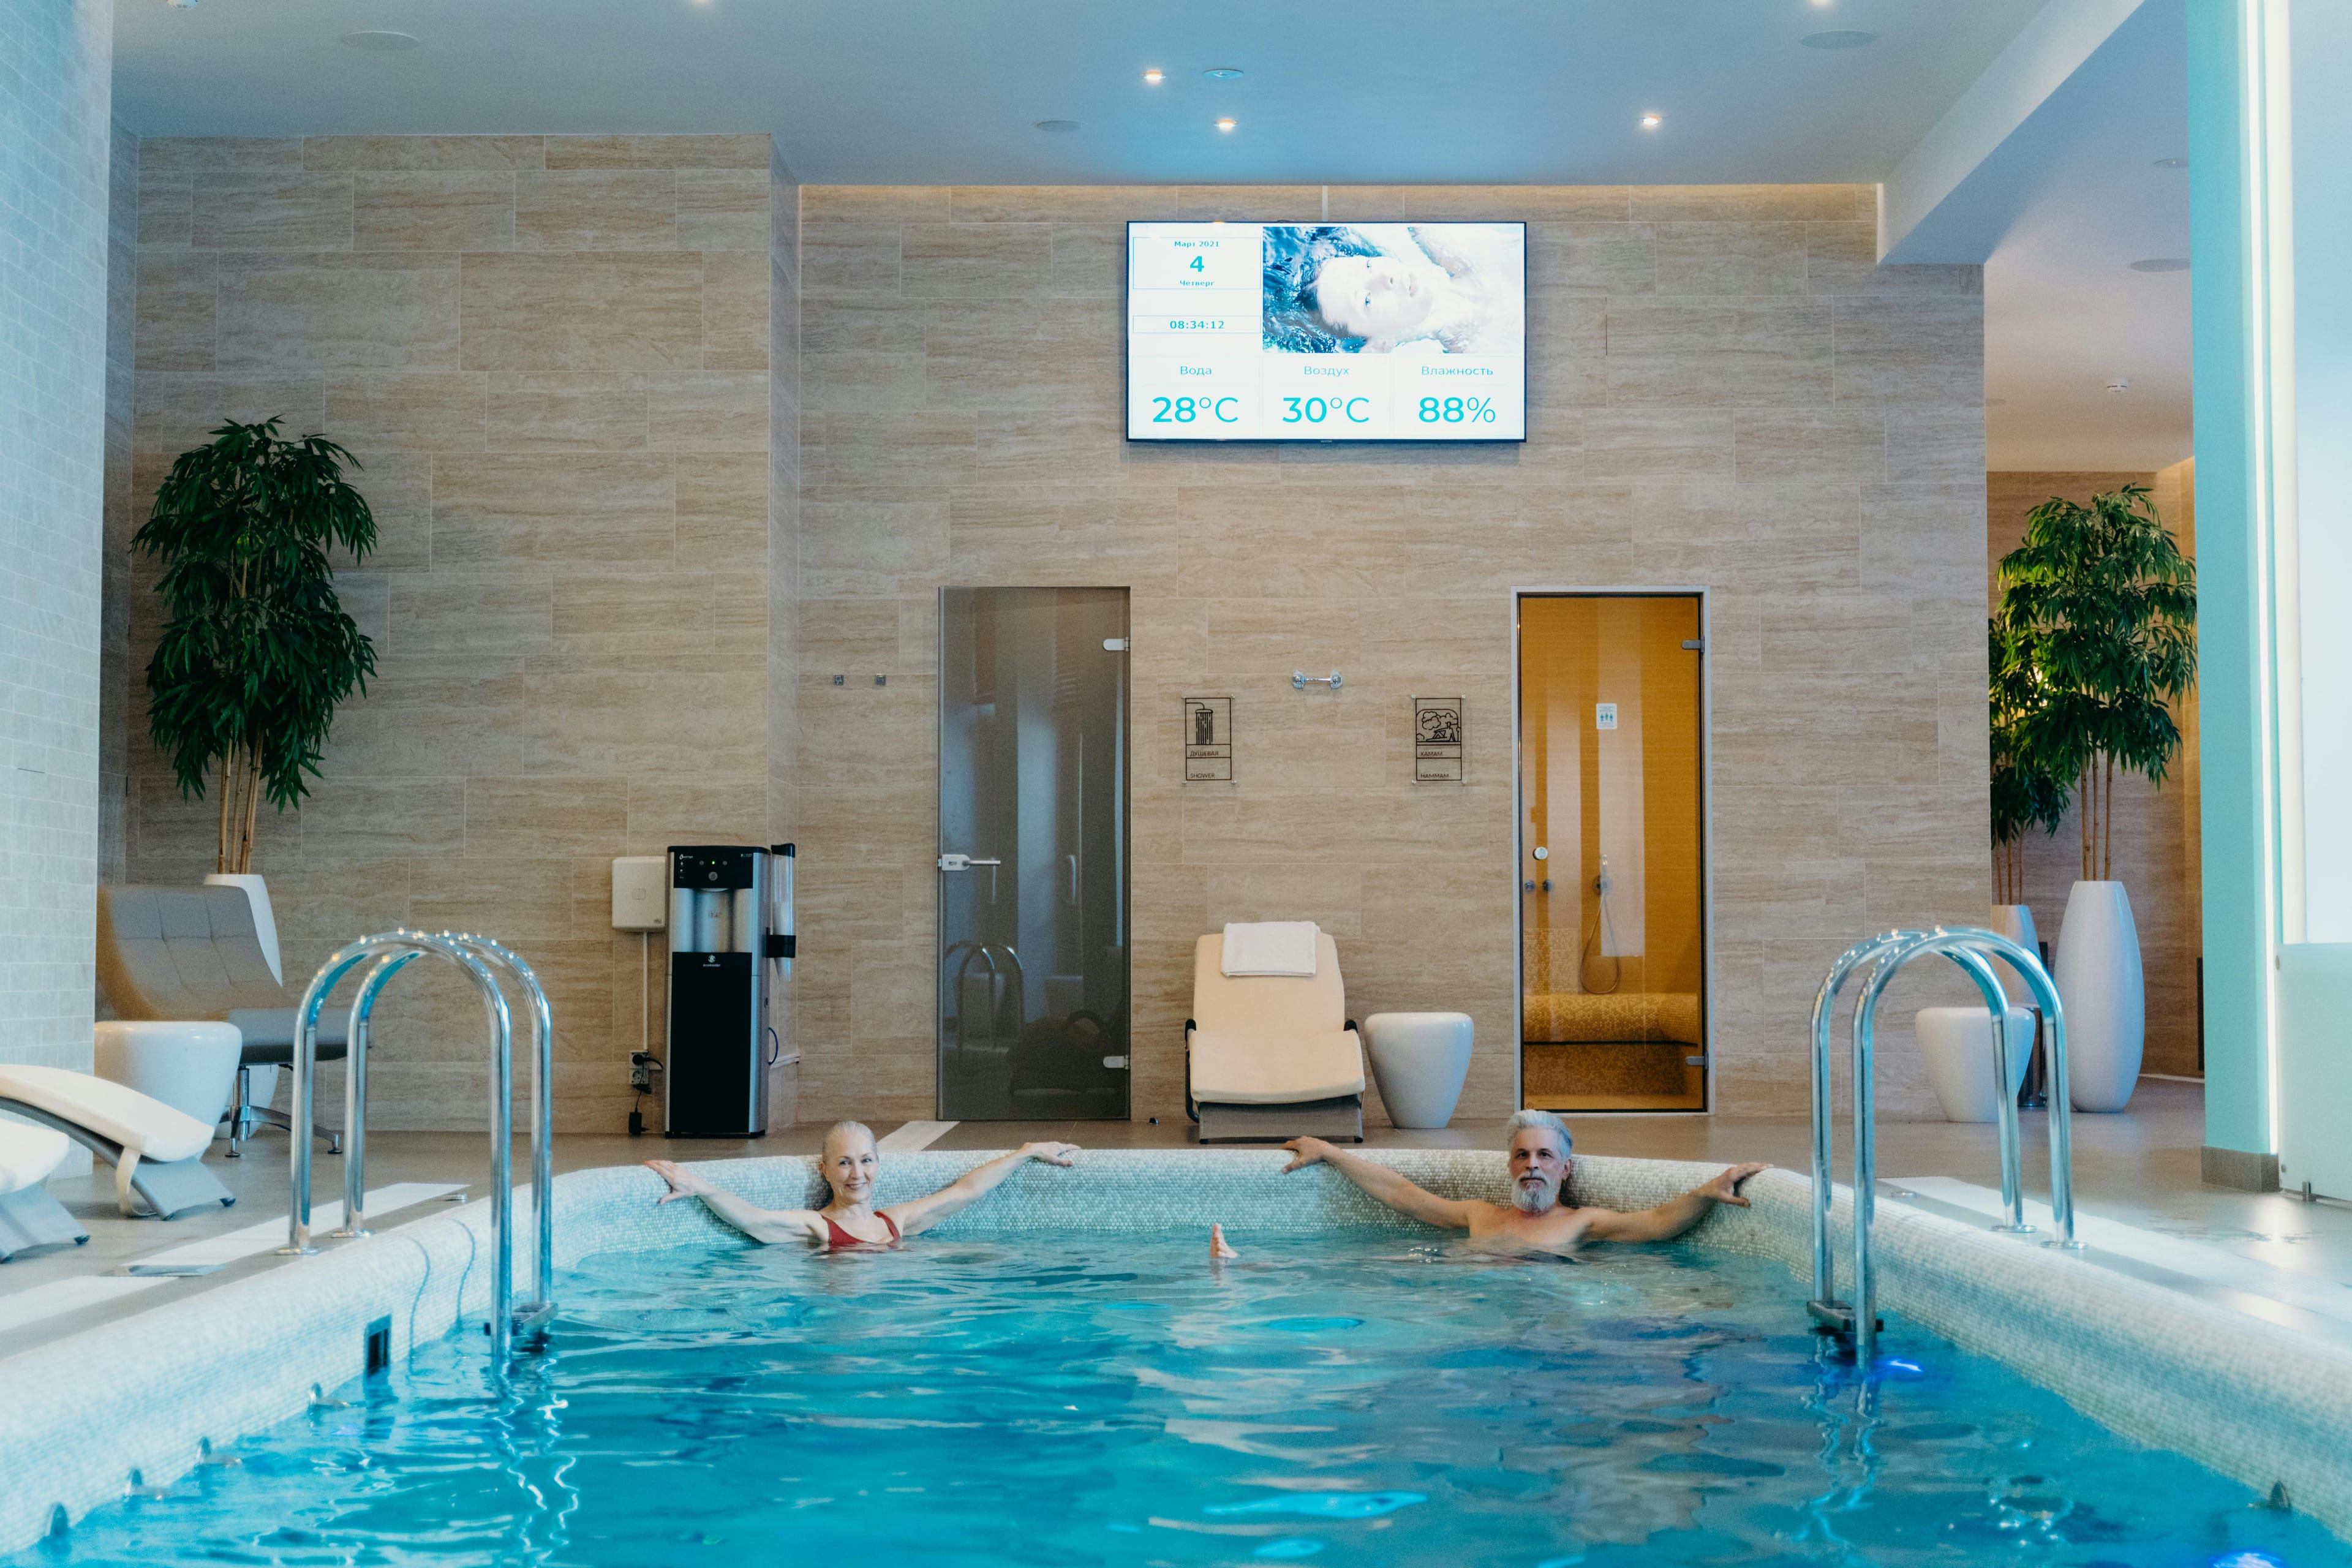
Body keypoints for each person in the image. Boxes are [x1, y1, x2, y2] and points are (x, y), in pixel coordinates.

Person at [1281, 1109, 1766, 1259]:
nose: (1533, 1164)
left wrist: (1706, 1192)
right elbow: (1403, 1196)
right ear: (1511, 1167)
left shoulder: (1582, 1223)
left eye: (1545, 1156)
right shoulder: (1479, 1215)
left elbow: (1659, 1223)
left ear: (1565, 1169)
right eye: (1523, 1155)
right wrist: (1332, 1152)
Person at [646, 1121, 1078, 1250]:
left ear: (878, 1164)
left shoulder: (896, 1222)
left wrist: (1026, 1152)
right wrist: (700, 1186)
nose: (857, 1174)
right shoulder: (818, 1227)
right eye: (845, 1163)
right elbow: (756, 1222)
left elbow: (966, 1192)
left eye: (866, 1161)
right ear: (826, 1171)